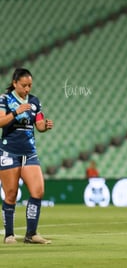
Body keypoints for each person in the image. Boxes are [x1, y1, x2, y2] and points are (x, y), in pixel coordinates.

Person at [0, 68, 54, 244]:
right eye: (24, 85)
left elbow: (38, 124)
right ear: (15, 83)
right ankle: (9, 235)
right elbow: (0, 122)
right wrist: (16, 112)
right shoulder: (4, 99)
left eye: (30, 85)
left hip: (29, 153)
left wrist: (45, 125)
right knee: (11, 194)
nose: (27, 89)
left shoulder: (34, 101)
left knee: (38, 191)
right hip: (9, 151)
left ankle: (31, 234)